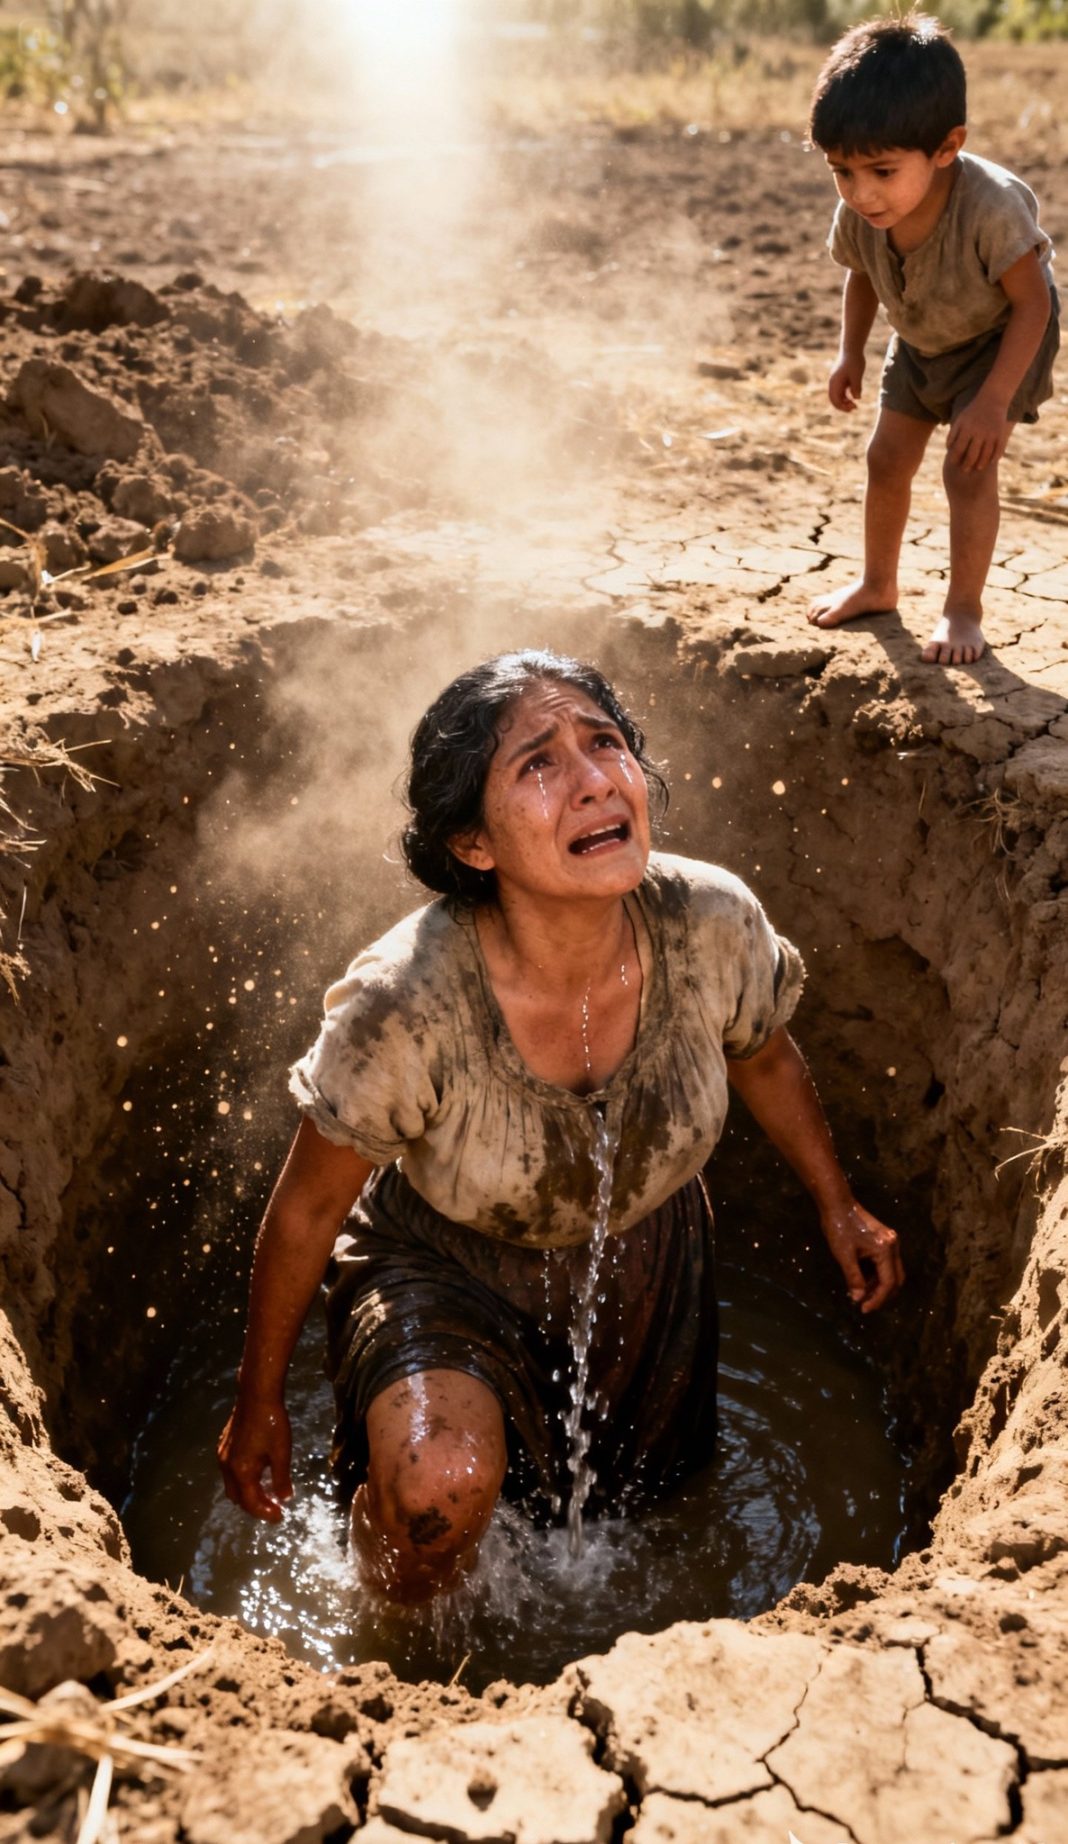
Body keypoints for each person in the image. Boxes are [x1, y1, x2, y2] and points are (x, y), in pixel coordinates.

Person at [218, 650, 903, 1603]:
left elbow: (764, 1054)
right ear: (473, 844)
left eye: (606, 743)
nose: (593, 781)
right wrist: (258, 1404)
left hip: (648, 1264)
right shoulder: (404, 1005)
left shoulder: (711, 923)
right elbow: (304, 1214)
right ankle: (390, 1664)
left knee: (652, 1521)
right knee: (436, 1491)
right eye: (538, 763)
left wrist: (838, 1204)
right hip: (445, 1267)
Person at [805, 12, 1059, 667]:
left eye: (882, 172)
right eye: (841, 171)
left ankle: (963, 611)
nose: (860, 192)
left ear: (946, 147)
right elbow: (862, 273)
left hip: (999, 341)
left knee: (965, 469)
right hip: (920, 337)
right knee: (886, 458)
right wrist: (850, 351)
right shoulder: (863, 209)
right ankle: (877, 583)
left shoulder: (991, 206)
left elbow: (1034, 304)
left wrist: (993, 401)